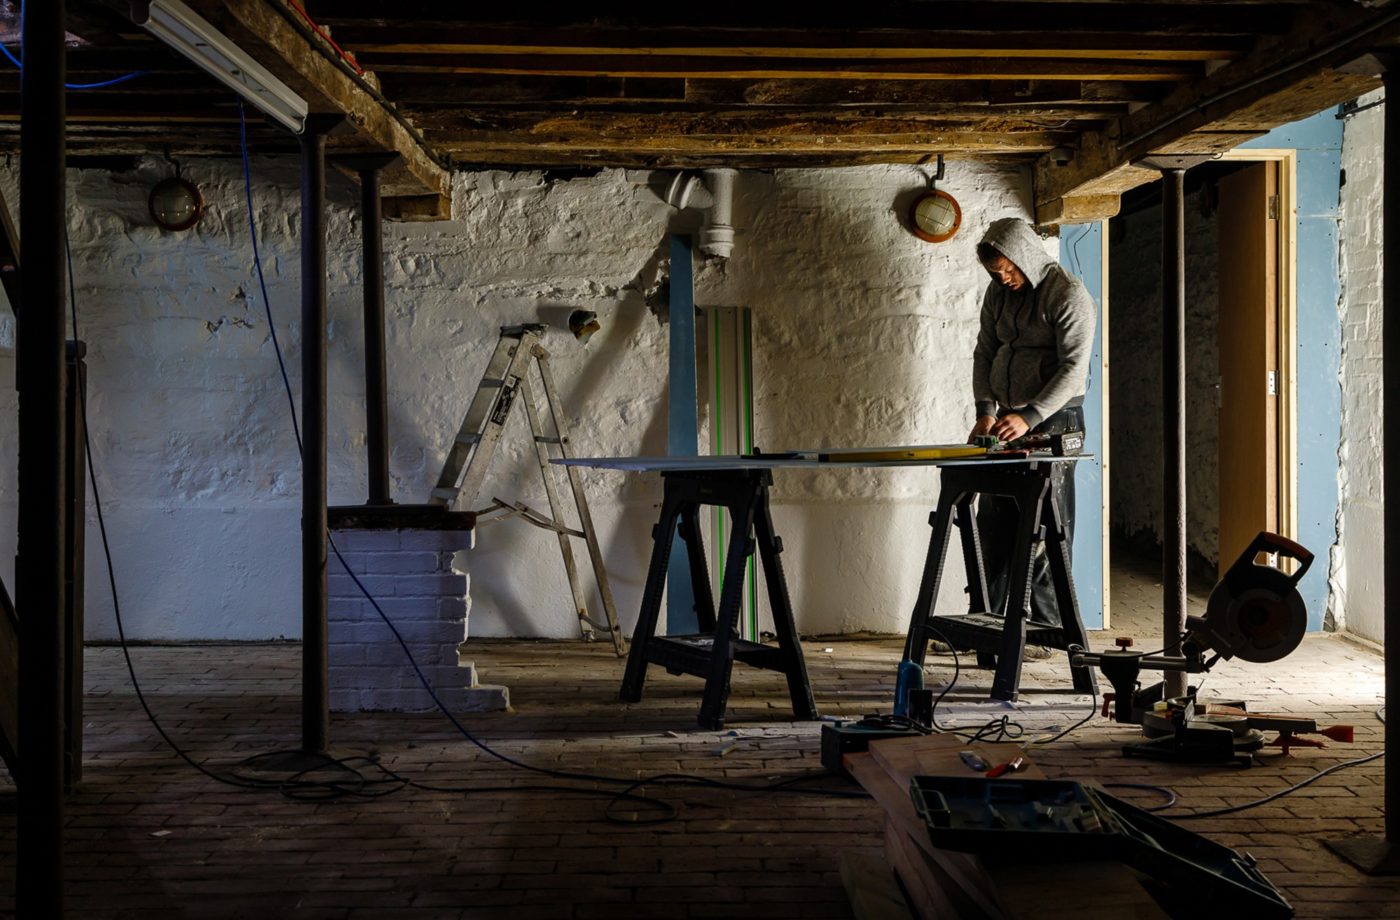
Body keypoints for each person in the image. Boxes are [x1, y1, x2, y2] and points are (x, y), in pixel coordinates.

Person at [968, 217, 1096, 634]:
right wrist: (985, 409)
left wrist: (1031, 416)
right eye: (995, 272)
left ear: (1026, 255)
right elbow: (985, 351)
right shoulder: (996, 293)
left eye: (1008, 269)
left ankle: (1049, 629)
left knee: (1045, 527)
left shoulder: (1069, 294)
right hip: (1006, 419)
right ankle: (987, 623)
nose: (1003, 279)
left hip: (1055, 421)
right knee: (995, 521)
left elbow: (1074, 369)